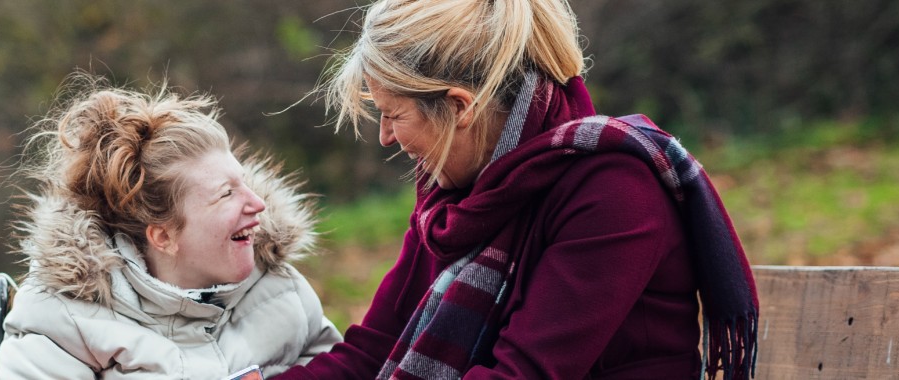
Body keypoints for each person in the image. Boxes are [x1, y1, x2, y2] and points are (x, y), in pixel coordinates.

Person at [274, 0, 759, 379]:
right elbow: (371, 352)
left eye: (394, 114)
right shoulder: (456, 200)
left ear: (460, 107)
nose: (385, 136)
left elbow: (523, 372)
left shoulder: (615, 192)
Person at [0, 75, 343, 379]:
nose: (258, 205)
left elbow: (336, 366)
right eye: (226, 194)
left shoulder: (277, 285)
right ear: (164, 236)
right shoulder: (64, 318)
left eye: (245, 183)